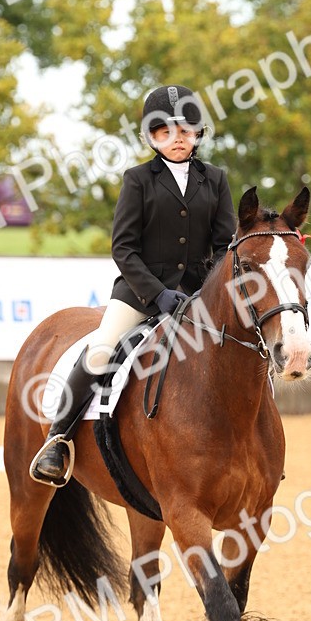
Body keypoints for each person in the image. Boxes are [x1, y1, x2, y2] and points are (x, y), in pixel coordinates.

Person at [31, 83, 237, 485]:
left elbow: (223, 246)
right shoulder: (138, 179)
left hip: (199, 297)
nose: (176, 138)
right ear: (151, 136)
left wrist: (206, 294)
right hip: (142, 295)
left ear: (198, 133)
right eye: (165, 131)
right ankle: (58, 439)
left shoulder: (215, 180)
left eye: (185, 130)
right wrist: (158, 294)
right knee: (100, 351)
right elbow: (123, 249)